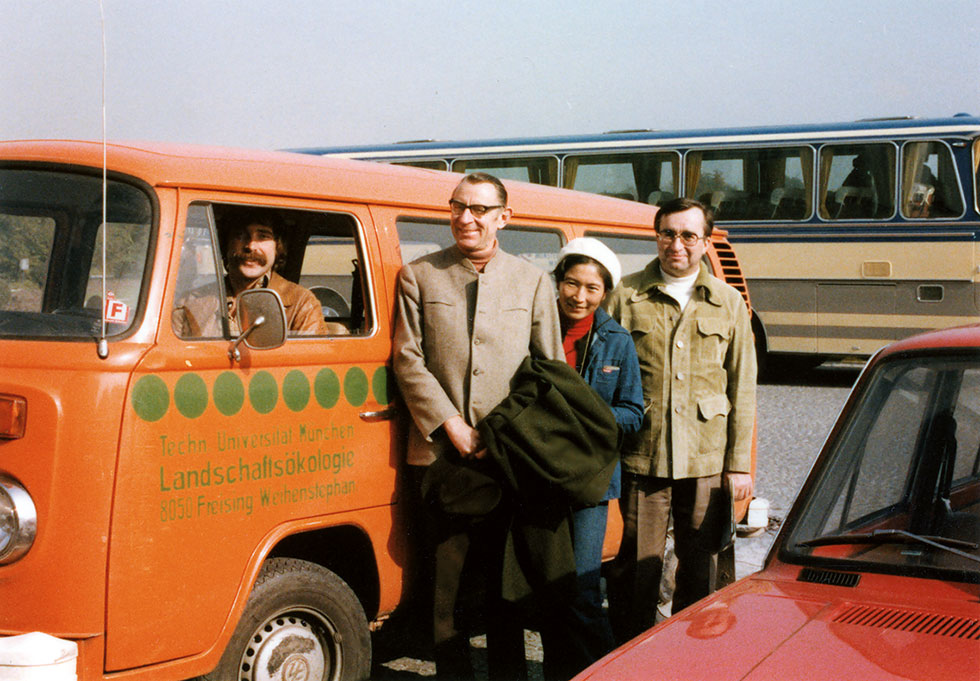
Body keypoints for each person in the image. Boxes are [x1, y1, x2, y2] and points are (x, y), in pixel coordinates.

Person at [392, 172, 562, 680]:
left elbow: (547, 368)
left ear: (503, 218)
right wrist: (451, 424)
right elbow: (408, 359)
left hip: (508, 457)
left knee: (505, 586)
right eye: (458, 206)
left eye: (480, 209)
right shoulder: (419, 275)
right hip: (443, 457)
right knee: (446, 589)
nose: (466, 218)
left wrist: (505, 432)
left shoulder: (531, 281)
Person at [605, 197, 756, 643]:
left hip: (706, 457)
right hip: (643, 455)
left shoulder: (727, 303)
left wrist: (739, 464)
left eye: (689, 235)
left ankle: (691, 657)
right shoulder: (626, 296)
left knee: (701, 566)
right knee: (635, 566)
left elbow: (742, 385)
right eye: (668, 233)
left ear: (705, 242)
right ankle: (630, 657)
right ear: (656, 237)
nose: (677, 244)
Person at [539, 238, 643, 680]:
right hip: (539, 476)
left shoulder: (617, 341)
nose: (579, 297)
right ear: (557, 283)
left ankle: (605, 672)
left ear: (605, 293)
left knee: (582, 591)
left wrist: (586, 417)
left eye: (592, 288)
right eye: (571, 283)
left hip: (592, 481)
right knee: (547, 590)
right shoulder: (535, 329)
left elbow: (633, 413)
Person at [173, 209, 327, 337]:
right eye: (240, 235)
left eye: (263, 236)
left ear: (277, 247)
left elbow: (304, 367)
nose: (250, 245)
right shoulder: (189, 302)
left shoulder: (302, 304)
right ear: (226, 243)